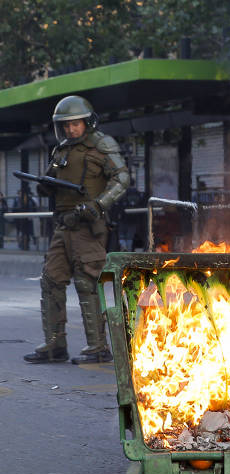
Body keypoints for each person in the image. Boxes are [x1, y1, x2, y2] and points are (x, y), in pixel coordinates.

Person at [23, 95, 129, 364]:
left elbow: (122, 179)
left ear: (87, 122)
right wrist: (44, 185)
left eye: (76, 124)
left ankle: (98, 347)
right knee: (51, 280)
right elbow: (51, 180)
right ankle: (55, 345)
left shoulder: (102, 145)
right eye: (66, 125)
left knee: (87, 283)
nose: (71, 129)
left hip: (88, 227)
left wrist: (98, 204)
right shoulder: (61, 151)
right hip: (63, 225)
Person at [12, 182, 38, 250]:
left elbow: (34, 208)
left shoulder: (31, 200)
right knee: (20, 232)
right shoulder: (17, 200)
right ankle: (21, 244)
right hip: (19, 219)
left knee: (28, 232)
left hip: (28, 218)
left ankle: (26, 244)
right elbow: (14, 209)